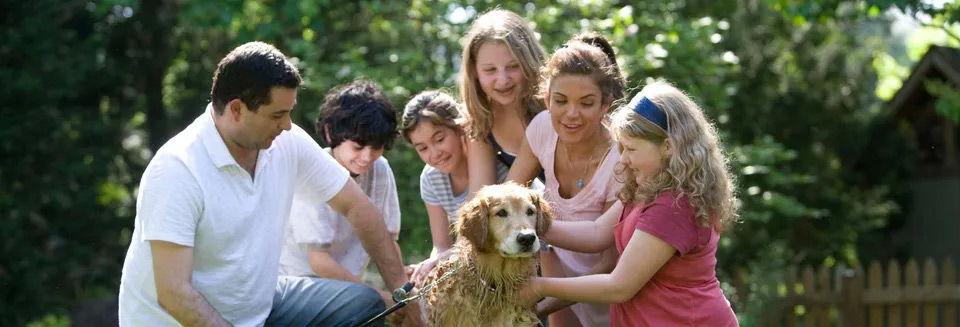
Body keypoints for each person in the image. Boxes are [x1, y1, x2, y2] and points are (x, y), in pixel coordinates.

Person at [117, 42, 421, 327]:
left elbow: (358, 208)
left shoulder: (286, 141)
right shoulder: (176, 168)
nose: (288, 124)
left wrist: (403, 294)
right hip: (179, 320)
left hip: (259, 305)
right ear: (236, 110)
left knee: (362, 303)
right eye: (277, 114)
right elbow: (173, 292)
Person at [520, 81, 741, 326]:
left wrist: (538, 286)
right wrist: (528, 224)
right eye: (621, 148)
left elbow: (619, 286)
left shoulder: (674, 205)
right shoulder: (647, 187)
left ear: (667, 146)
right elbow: (596, 233)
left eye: (631, 149)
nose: (623, 159)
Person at [506, 33, 626, 327]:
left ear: (605, 105)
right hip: (562, 281)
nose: (571, 114)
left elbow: (609, 260)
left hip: (610, 297)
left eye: (586, 103)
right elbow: (506, 197)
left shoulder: (622, 161)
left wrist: (539, 305)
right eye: (560, 100)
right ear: (547, 99)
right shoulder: (542, 128)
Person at [278, 79, 403, 309]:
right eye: (358, 146)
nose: (367, 157)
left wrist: (402, 295)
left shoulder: (381, 169)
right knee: (369, 307)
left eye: (376, 147)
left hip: (349, 289)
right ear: (329, 132)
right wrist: (379, 297)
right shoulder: (312, 170)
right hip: (298, 288)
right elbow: (319, 263)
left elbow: (387, 242)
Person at [399, 90, 510, 285]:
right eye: (423, 148)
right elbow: (441, 245)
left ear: (459, 129)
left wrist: (448, 257)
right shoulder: (431, 179)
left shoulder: (494, 165)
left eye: (440, 139)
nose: (434, 154)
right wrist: (432, 264)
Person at [460, 9, 547, 197]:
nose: (503, 80)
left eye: (513, 66)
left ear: (529, 61)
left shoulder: (553, 104)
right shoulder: (481, 121)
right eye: (490, 70)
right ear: (474, 71)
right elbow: (480, 195)